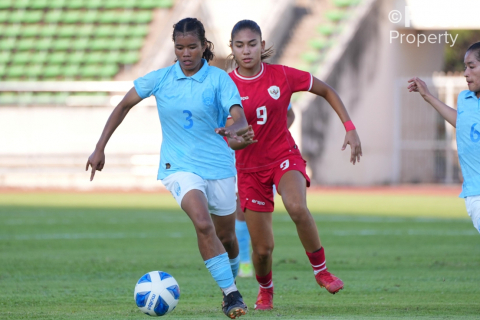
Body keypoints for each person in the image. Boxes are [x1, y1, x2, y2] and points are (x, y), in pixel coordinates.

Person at [86, 18, 254, 319]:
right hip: (178, 167)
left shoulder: (219, 79)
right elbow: (123, 104)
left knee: (227, 238)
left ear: (204, 46)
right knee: (203, 223)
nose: (186, 53)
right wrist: (100, 146)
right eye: (180, 47)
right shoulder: (161, 78)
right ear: (173, 48)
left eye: (192, 47)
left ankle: (226, 281)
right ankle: (231, 294)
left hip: (219, 167)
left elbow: (238, 117)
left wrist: (235, 131)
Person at [225, 20, 362, 310]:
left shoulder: (282, 76)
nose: (246, 50)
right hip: (249, 170)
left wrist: (349, 127)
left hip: (283, 156)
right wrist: (239, 138)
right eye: (239, 45)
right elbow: (230, 140)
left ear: (262, 46)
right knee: (263, 250)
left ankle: (321, 271)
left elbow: (326, 90)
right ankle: (266, 291)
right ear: (232, 49)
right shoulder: (226, 86)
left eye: (252, 44)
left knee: (297, 206)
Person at [408, 41, 480, 235]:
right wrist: (428, 97)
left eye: (471, 67)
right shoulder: (465, 98)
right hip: (474, 192)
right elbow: (462, 122)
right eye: (465, 67)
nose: (465, 73)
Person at [235, 105, 295, 278]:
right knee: (240, 210)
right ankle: (244, 261)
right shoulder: (225, 87)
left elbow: (290, 114)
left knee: (257, 212)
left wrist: (274, 135)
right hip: (234, 156)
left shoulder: (271, 85)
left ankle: (256, 259)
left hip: (265, 158)